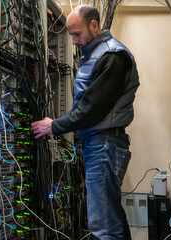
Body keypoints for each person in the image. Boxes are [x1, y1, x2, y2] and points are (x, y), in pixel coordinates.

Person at [31, 5, 140, 240]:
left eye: (76, 34)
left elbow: (91, 109)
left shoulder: (112, 56)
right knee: (111, 217)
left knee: (102, 225)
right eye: (70, 35)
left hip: (104, 144)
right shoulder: (96, 54)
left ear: (93, 25)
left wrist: (54, 125)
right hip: (100, 144)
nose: (73, 41)